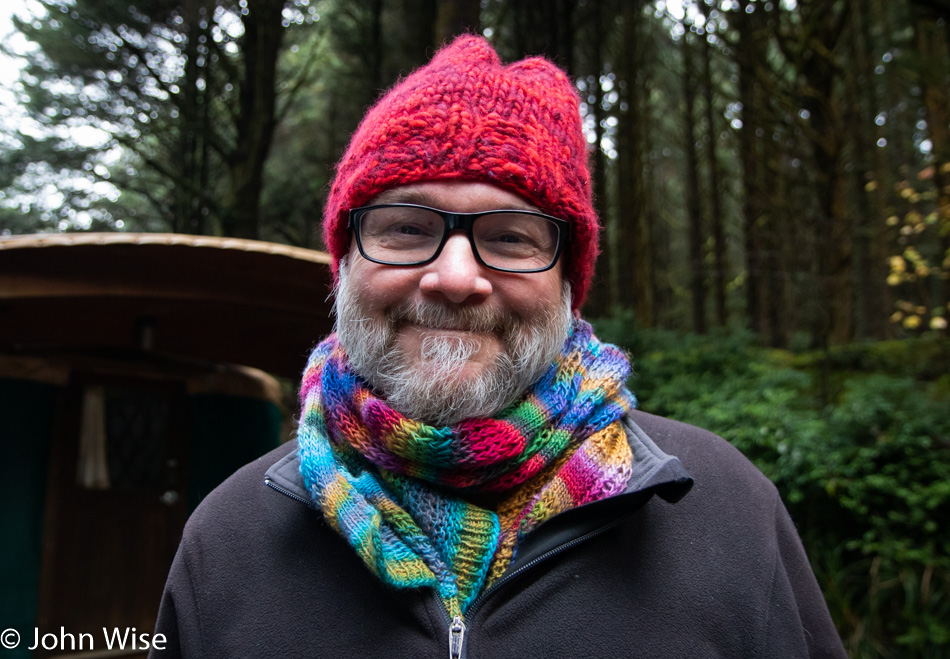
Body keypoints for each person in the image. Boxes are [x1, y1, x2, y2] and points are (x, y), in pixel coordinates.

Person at [150, 36, 847, 658]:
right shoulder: (227, 540)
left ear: (568, 279)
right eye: (404, 227)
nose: (455, 277)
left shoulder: (726, 513)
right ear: (344, 263)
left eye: (511, 236)